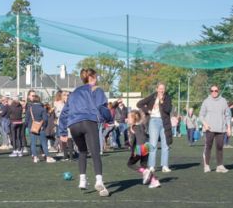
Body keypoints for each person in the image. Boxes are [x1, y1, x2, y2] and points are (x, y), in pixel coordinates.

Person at [61, 67, 114, 196]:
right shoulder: (96, 90)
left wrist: (62, 132)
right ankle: (99, 180)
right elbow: (102, 107)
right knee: (95, 152)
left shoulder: (73, 93)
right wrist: (109, 118)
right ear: (92, 78)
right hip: (88, 122)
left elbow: (64, 113)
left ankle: (82, 180)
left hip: (73, 125)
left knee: (82, 151)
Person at [138, 82, 174, 173]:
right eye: (160, 88)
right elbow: (139, 104)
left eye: (163, 88)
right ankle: (151, 166)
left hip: (164, 123)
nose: (162, 90)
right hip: (154, 121)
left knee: (165, 145)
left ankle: (165, 165)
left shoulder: (167, 98)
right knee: (153, 145)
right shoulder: (152, 97)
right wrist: (148, 111)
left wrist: (162, 101)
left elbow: (168, 110)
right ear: (157, 89)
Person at [199, 85, 232, 172]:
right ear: (210, 91)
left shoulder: (223, 101)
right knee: (208, 147)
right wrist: (205, 124)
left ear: (218, 91)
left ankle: (220, 166)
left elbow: (228, 115)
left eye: (216, 90)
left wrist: (228, 127)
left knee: (220, 147)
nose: (214, 92)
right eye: (212, 90)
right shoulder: (206, 101)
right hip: (209, 129)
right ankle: (206, 166)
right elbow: (201, 115)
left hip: (221, 129)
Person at [126, 108, 160, 188]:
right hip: (147, 147)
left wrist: (129, 143)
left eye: (129, 118)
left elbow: (132, 140)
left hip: (139, 148)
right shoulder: (142, 125)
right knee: (144, 165)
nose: (127, 119)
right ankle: (154, 181)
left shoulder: (132, 128)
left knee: (130, 164)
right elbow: (145, 136)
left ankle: (145, 172)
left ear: (134, 118)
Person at [25, 91, 51, 162]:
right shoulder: (42, 109)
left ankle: (35, 157)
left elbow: (26, 119)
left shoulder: (30, 108)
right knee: (43, 142)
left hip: (32, 127)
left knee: (33, 143)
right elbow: (45, 119)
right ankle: (48, 157)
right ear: (39, 100)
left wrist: (27, 126)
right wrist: (44, 126)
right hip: (41, 127)